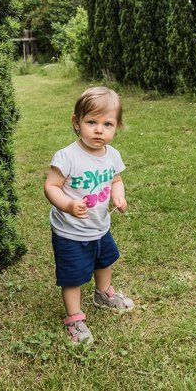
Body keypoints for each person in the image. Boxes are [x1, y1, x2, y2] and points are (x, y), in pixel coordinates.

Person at [44, 86, 134, 345]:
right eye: (91, 122)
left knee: (104, 260)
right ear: (76, 122)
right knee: (72, 276)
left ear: (116, 127)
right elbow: (51, 186)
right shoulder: (68, 156)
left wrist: (118, 194)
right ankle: (75, 318)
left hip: (100, 226)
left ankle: (103, 293)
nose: (99, 130)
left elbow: (116, 180)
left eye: (107, 124)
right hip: (70, 231)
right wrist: (68, 205)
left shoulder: (112, 155)